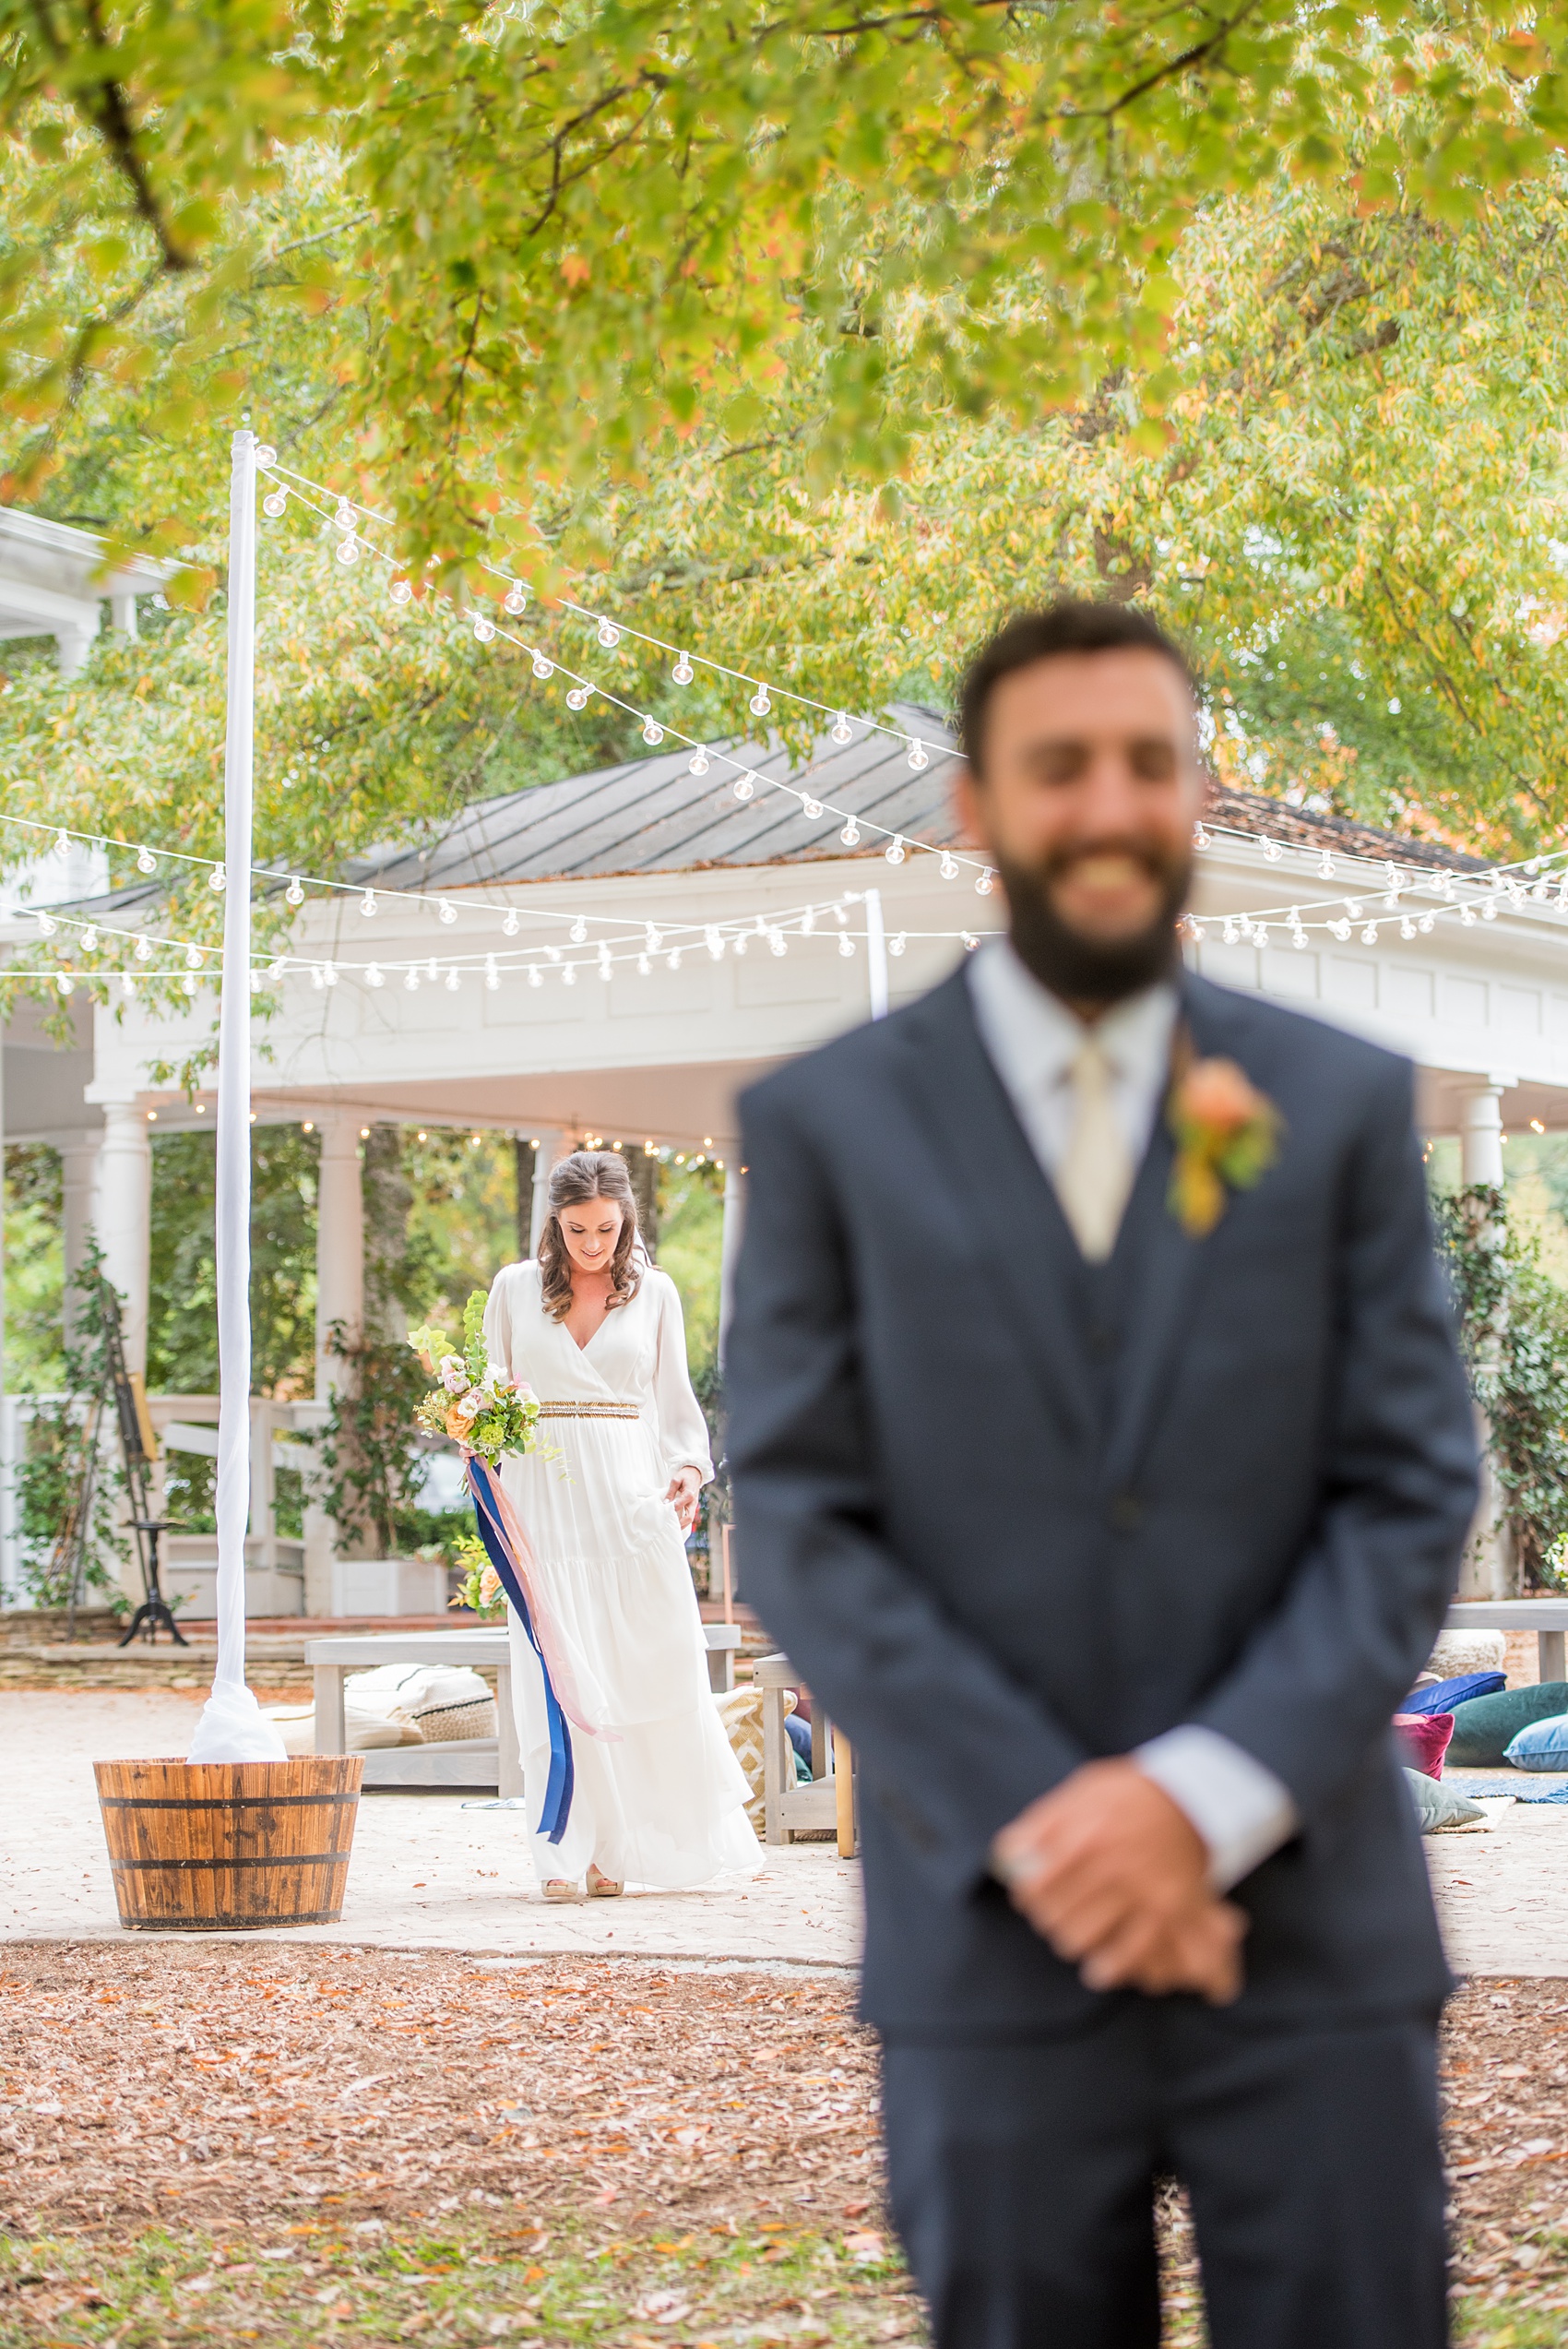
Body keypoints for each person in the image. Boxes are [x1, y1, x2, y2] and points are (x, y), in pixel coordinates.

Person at [723, 601, 1479, 2349]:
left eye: (1152, 762)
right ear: (976, 807)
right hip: (992, 1936)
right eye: (1060, 767)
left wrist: (1199, 1803)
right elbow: (807, 1523)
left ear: (1199, 789)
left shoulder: (1334, 1103)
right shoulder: (827, 1127)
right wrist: (1060, 1826)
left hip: (1310, 1946)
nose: (1111, 804)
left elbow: (1405, 1486)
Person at [483, 1150, 759, 1899]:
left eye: (606, 1229)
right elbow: (485, 1415)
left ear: (624, 1219)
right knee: (559, 1673)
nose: (593, 1245)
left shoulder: (656, 1293)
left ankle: (626, 1851)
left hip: (629, 1499)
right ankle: (566, 1854)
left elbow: (675, 1404)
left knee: (645, 1665)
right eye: (578, 1230)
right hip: (543, 1498)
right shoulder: (512, 1290)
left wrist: (689, 1469)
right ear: (555, 1222)